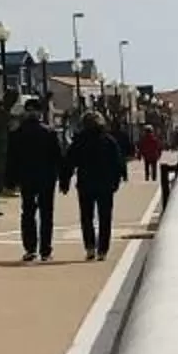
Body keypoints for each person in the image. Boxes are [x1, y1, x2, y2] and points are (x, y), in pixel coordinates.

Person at [4, 101, 69, 261]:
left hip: (27, 178)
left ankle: (30, 248)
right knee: (46, 214)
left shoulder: (17, 133)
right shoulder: (49, 133)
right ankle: (45, 250)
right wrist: (63, 179)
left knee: (28, 213)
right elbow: (59, 158)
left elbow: (11, 160)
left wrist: (10, 181)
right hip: (47, 178)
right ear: (40, 113)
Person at [70, 111, 128, 261]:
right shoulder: (109, 140)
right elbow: (118, 161)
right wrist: (120, 177)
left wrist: (64, 179)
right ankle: (103, 250)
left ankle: (90, 247)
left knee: (86, 217)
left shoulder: (80, 140)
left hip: (85, 183)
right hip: (105, 184)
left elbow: (70, 160)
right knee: (105, 217)